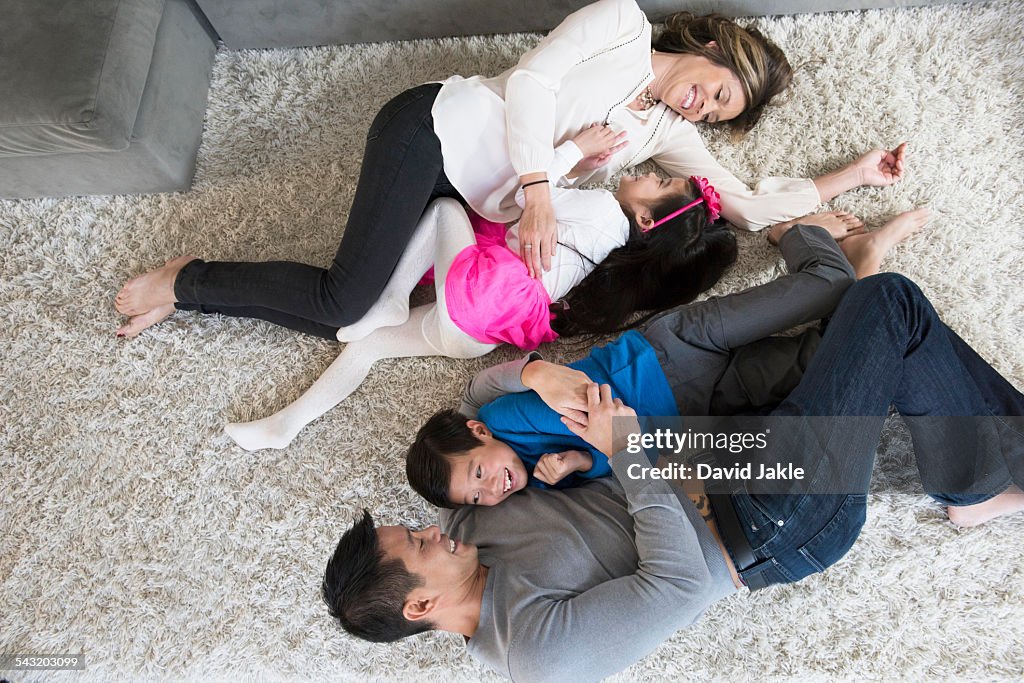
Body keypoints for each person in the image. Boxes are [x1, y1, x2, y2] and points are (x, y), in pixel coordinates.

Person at [320, 270, 1024, 682]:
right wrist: (624, 450)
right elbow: (680, 584)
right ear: (419, 607)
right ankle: (977, 481)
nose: (431, 529)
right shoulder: (536, 650)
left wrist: (538, 372)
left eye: (416, 526)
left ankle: (974, 481)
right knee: (888, 305)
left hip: (715, 446)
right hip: (771, 516)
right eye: (417, 542)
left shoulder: (470, 522)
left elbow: (475, 399)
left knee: (863, 336)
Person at [113, 0, 904, 339]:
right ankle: (187, 280)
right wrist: (539, 192)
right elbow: (531, 81)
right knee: (343, 296)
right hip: (429, 132)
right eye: (717, 89)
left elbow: (744, 207)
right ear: (710, 48)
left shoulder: (664, 133)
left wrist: (850, 177)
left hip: (467, 202)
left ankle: (198, 291)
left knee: (364, 321)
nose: (702, 108)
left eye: (718, 116)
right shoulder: (621, 25)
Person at [220, 140, 739, 451]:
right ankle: (285, 426)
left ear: (646, 218)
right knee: (368, 347)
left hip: (481, 293)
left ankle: (389, 298)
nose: (649, 172)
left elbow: (524, 195)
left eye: (658, 182)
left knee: (445, 211)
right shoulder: (617, 268)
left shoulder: (605, 211)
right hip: (476, 334)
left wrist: (574, 154)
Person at [404, 211, 924, 506]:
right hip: (704, 404)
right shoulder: (541, 478)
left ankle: (796, 233)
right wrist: (581, 462)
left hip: (673, 351)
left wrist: (592, 448)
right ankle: (868, 257)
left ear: (478, 435)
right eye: (477, 498)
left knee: (827, 285)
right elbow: (617, 454)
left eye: (478, 474)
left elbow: (606, 413)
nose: (493, 488)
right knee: (832, 357)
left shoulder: (501, 417)